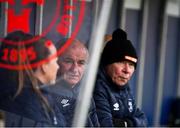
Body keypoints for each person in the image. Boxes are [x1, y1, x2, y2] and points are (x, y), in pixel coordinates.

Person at [0, 31, 63, 126]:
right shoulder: (28, 103)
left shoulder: (34, 96)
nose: (58, 66)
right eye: (55, 61)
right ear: (43, 65)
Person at [93, 28, 148, 127]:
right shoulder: (97, 87)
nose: (126, 70)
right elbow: (106, 125)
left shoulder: (125, 88)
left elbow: (143, 120)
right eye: (121, 62)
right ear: (106, 64)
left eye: (131, 65)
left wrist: (126, 123)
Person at [49, 38, 99, 127]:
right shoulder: (47, 95)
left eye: (81, 63)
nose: (75, 69)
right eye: (68, 61)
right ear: (56, 61)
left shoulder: (84, 91)